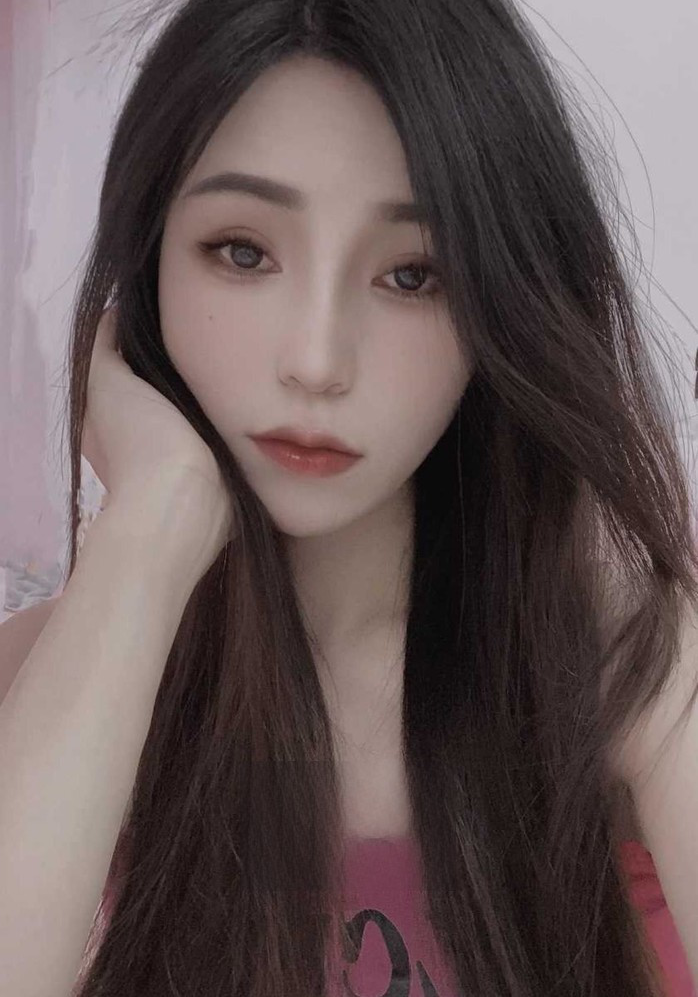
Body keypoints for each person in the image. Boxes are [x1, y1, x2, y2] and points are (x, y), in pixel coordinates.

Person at [1, 1, 697, 995]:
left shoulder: (616, 676)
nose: (318, 360)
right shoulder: (46, 680)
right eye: (243, 251)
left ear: (505, 305)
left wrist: (645, 624)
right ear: (148, 270)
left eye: (412, 274)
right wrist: (150, 528)